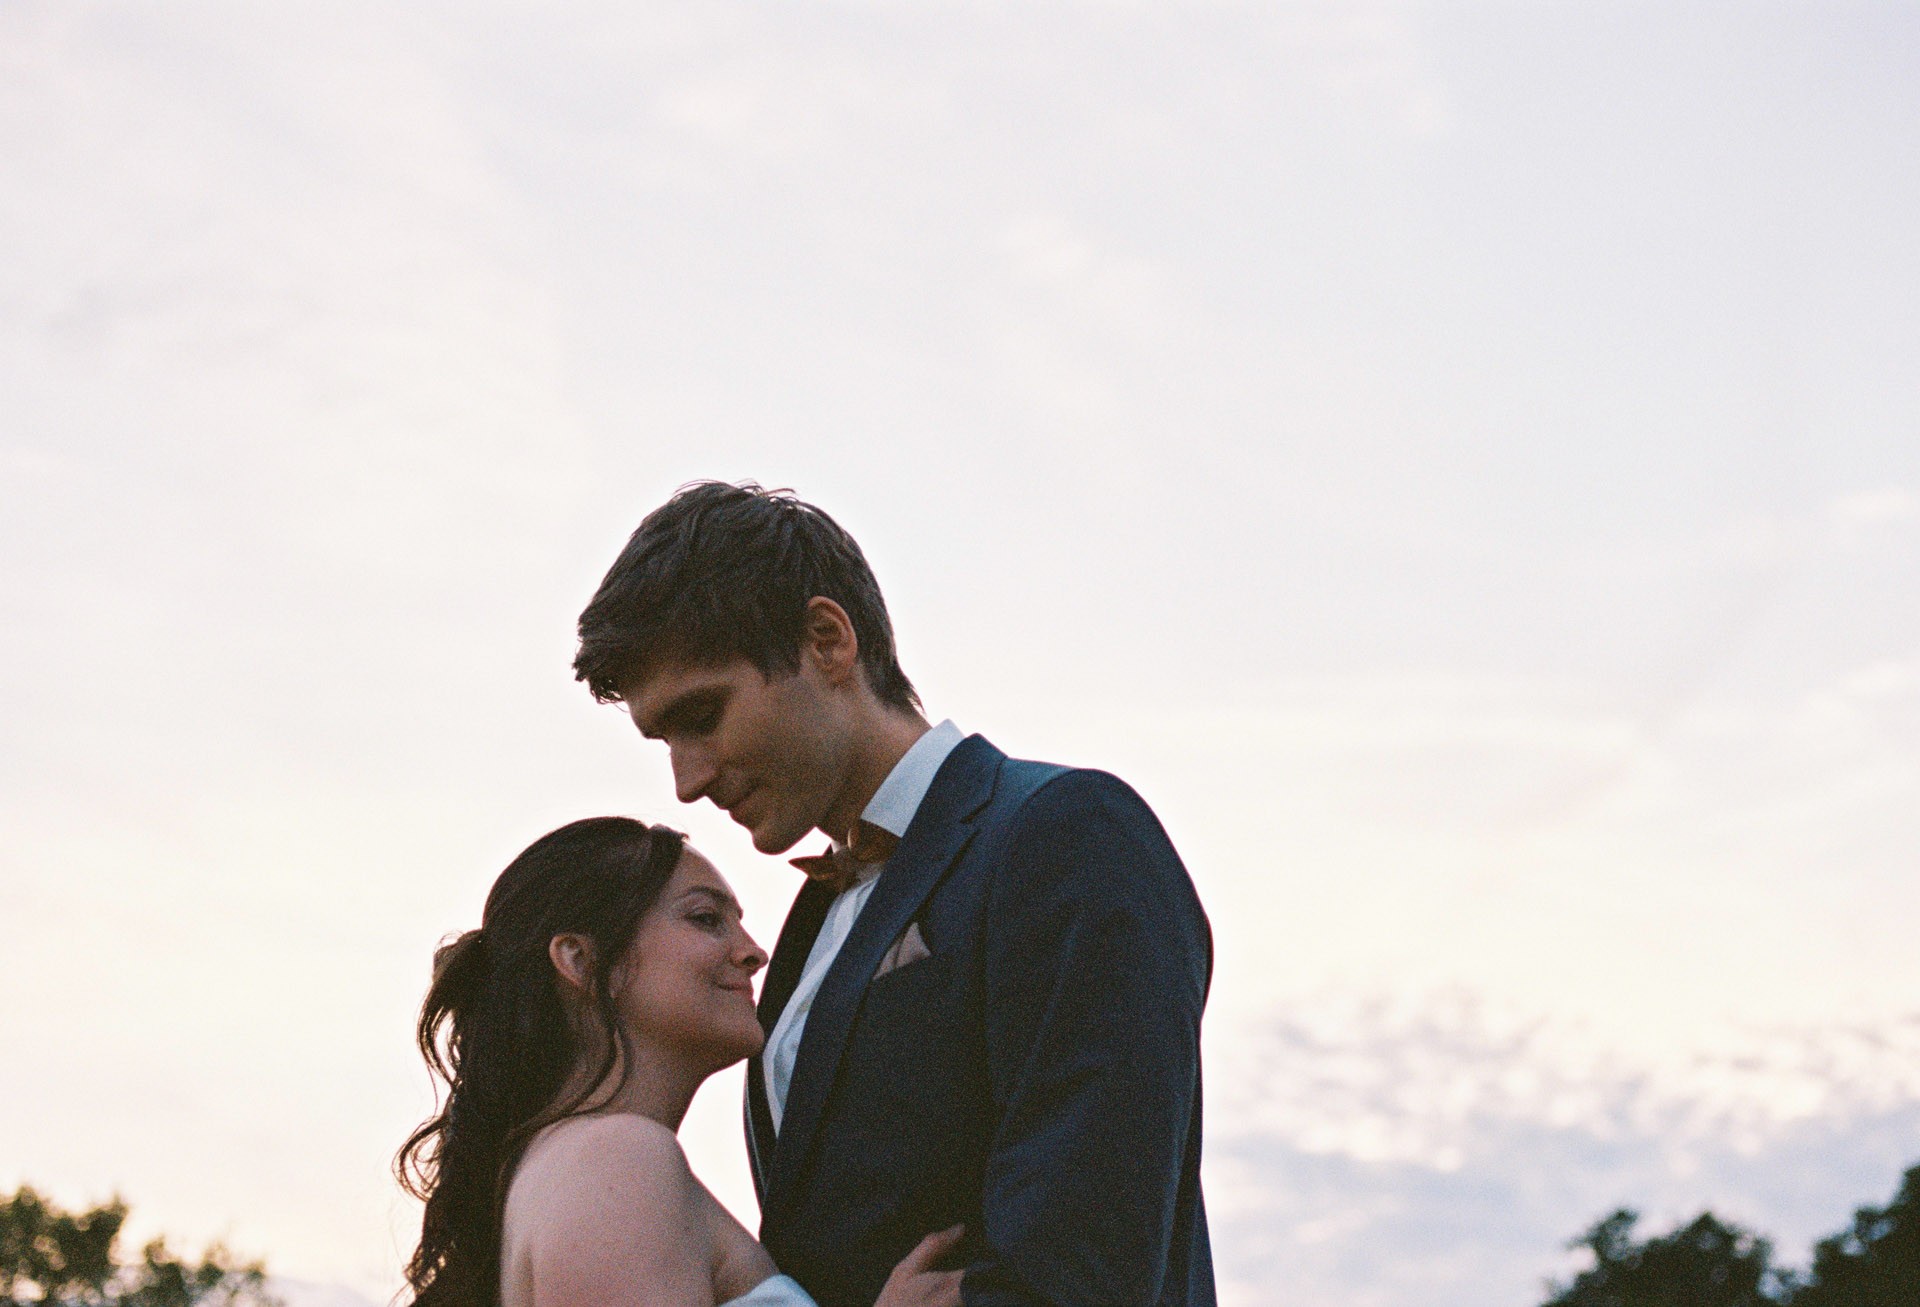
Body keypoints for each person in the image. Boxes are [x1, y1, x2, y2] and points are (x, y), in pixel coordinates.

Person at [572, 483, 1216, 1307]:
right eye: (664, 739)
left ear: (826, 640)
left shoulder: (1064, 833)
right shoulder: (808, 928)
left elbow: (1089, 1259)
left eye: (704, 714)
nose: (688, 779)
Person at [396, 816, 965, 1307]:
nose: (753, 951)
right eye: (703, 918)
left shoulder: (575, 1161)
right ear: (581, 961)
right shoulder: (616, 1159)